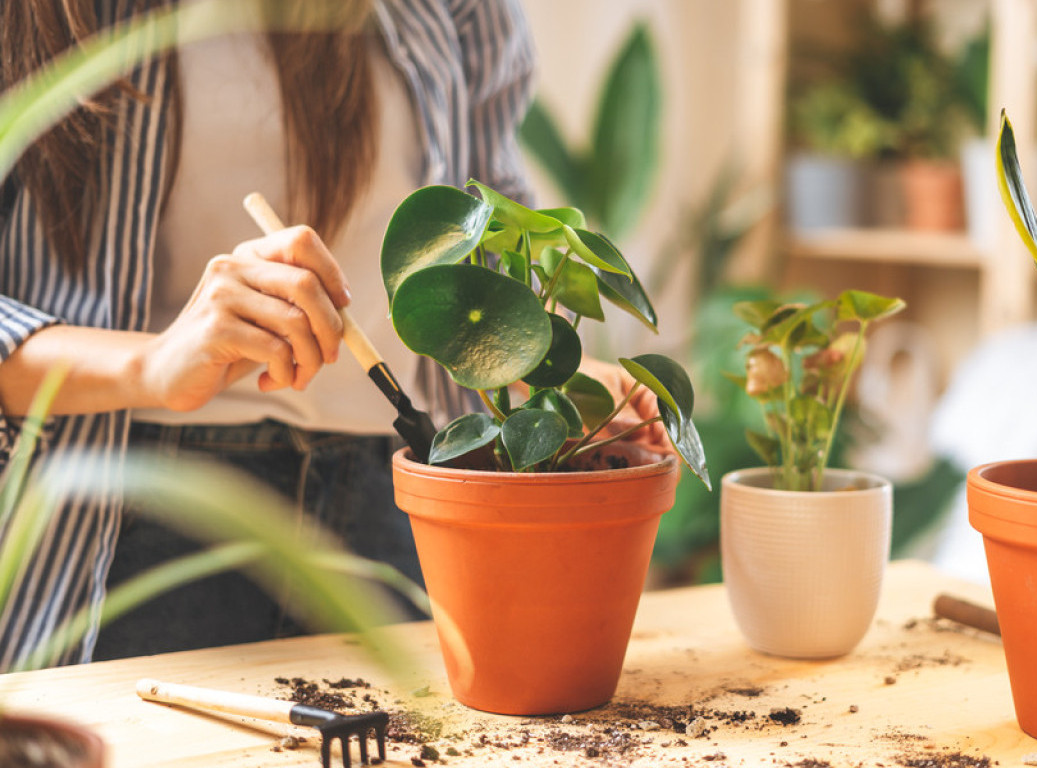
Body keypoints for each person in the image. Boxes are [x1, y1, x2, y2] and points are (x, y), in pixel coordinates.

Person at [0, 0, 668, 668]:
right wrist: (151, 364)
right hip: (138, 515)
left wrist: (555, 386)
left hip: (400, 498)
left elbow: (488, 239)